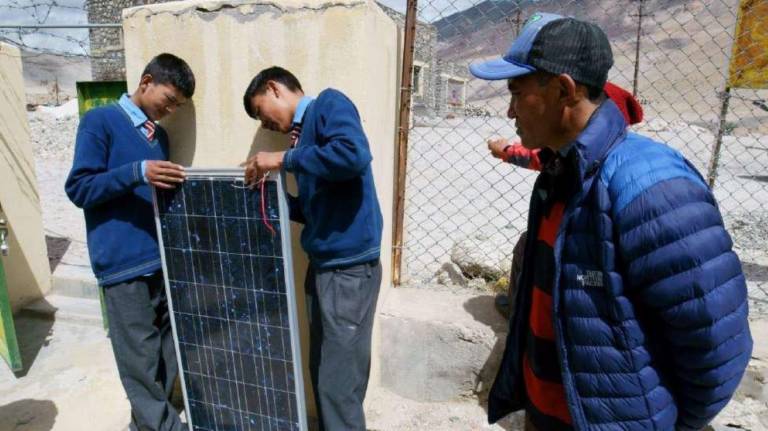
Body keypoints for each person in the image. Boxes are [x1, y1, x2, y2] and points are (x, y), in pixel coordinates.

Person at [469, 12, 752, 431]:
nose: (510, 111)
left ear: (563, 90)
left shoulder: (652, 188)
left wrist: (669, 424)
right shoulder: (560, 171)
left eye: (517, 93)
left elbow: (714, 344)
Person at [241, 66, 383, 431]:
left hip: (347, 269)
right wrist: (269, 198)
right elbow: (313, 209)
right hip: (323, 266)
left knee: (339, 382)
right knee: (322, 368)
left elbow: (353, 155)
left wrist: (281, 160)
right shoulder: (299, 142)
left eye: (261, 113)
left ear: (274, 88)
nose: (265, 124)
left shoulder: (328, 105)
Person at [65, 53, 195, 431]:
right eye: (168, 100)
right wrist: (136, 172)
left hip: (160, 260)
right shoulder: (100, 122)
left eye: (177, 106)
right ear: (146, 82)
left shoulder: (160, 138)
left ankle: (145, 425)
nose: (170, 110)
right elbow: (79, 188)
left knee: (166, 352)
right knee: (139, 360)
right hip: (123, 264)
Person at [491, 82, 643, 319]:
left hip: (587, 257)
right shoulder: (570, 153)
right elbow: (537, 158)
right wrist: (508, 151)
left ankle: (519, 309)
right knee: (529, 246)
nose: (511, 111)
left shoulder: (610, 165)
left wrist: (507, 151)